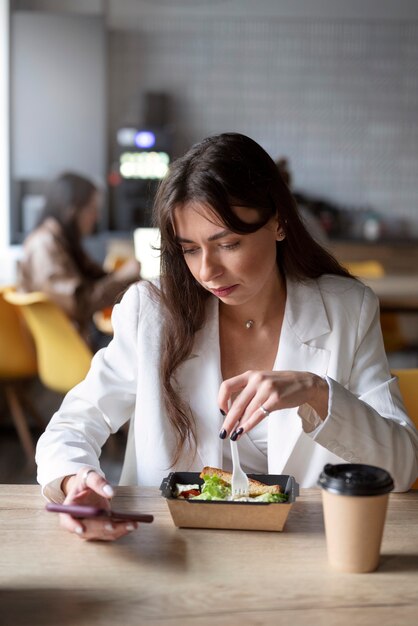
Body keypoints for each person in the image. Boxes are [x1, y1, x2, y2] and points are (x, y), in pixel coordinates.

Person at [36, 133, 418, 541]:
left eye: (228, 244)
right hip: (176, 549)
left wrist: (316, 392)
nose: (207, 272)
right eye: (190, 249)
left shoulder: (347, 310)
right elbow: (73, 425)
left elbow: (402, 467)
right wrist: (76, 482)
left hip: (310, 550)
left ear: (279, 223)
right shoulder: (153, 313)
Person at [18, 172, 141, 349]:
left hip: (73, 339)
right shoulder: (44, 245)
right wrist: (121, 277)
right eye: (92, 209)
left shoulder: (61, 241)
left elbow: (95, 277)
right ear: (72, 210)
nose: (97, 217)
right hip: (67, 347)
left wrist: (123, 277)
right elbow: (78, 303)